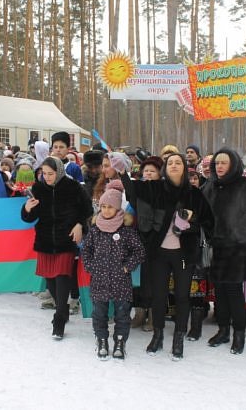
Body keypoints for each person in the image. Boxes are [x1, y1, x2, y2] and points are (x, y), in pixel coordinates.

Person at [117, 152, 214, 360]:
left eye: (178, 162)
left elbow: (209, 222)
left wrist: (190, 220)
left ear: (184, 167)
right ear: (165, 168)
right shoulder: (156, 188)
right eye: (170, 163)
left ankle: (178, 338)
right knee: (159, 295)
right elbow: (134, 190)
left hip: (183, 254)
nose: (174, 165)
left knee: (181, 295)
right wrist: (123, 171)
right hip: (158, 252)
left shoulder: (194, 194)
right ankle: (158, 335)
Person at [21, 157, 93, 339]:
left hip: (66, 240)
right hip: (45, 240)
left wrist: (80, 226)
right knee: (50, 281)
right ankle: (64, 308)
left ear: (59, 171)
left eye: (50, 174)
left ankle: (59, 319)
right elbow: (29, 218)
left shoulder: (74, 187)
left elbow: (87, 210)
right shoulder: (38, 188)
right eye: (44, 174)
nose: (47, 177)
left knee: (62, 277)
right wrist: (27, 209)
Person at [201, 147, 246, 355]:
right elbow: (203, 212)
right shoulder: (210, 185)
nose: (219, 167)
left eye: (224, 163)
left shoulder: (244, 185)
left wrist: (234, 236)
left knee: (234, 292)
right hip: (215, 249)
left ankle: (238, 334)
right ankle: (223, 330)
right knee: (219, 292)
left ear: (233, 164)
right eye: (217, 163)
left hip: (236, 249)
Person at [82, 180, 146, 360]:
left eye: (110, 207)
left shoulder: (126, 230)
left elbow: (139, 251)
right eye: (103, 206)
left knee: (122, 314)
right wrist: (91, 266)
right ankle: (101, 339)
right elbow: (86, 250)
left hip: (121, 281)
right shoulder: (95, 230)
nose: (106, 210)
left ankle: (120, 340)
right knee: (99, 313)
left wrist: (127, 267)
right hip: (99, 280)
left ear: (118, 208)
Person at [130, 156, 163, 332]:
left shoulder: (164, 189)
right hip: (139, 237)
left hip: (157, 239)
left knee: (153, 279)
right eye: (146, 171)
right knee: (139, 279)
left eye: (152, 171)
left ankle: (153, 314)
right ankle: (139, 312)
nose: (148, 174)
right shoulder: (138, 188)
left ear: (159, 173)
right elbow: (130, 200)